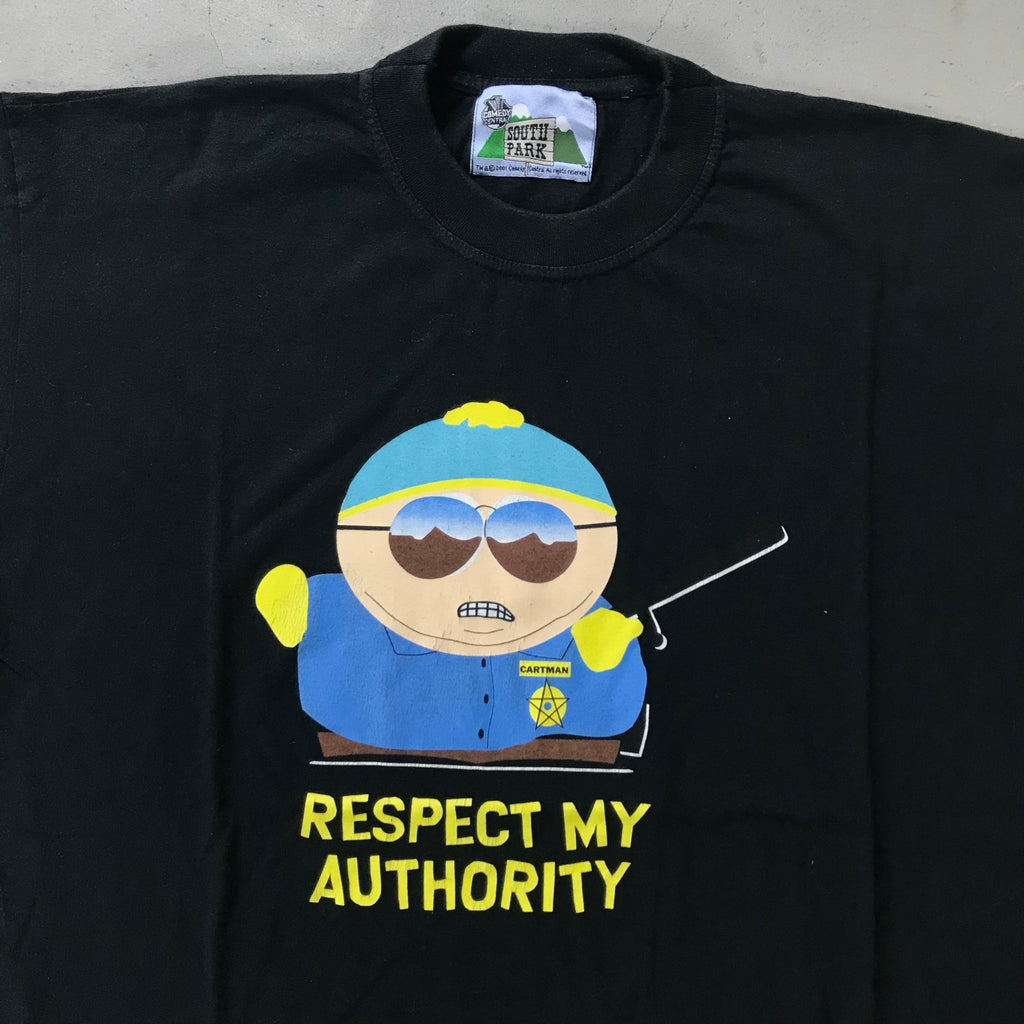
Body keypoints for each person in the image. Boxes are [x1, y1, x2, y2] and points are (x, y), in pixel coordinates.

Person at [255, 400, 647, 756]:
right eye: (434, 535)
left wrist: (608, 658)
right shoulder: (360, 598)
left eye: (535, 540)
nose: (484, 561)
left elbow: (608, 707)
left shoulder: (578, 607)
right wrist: (303, 606)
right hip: (372, 736)